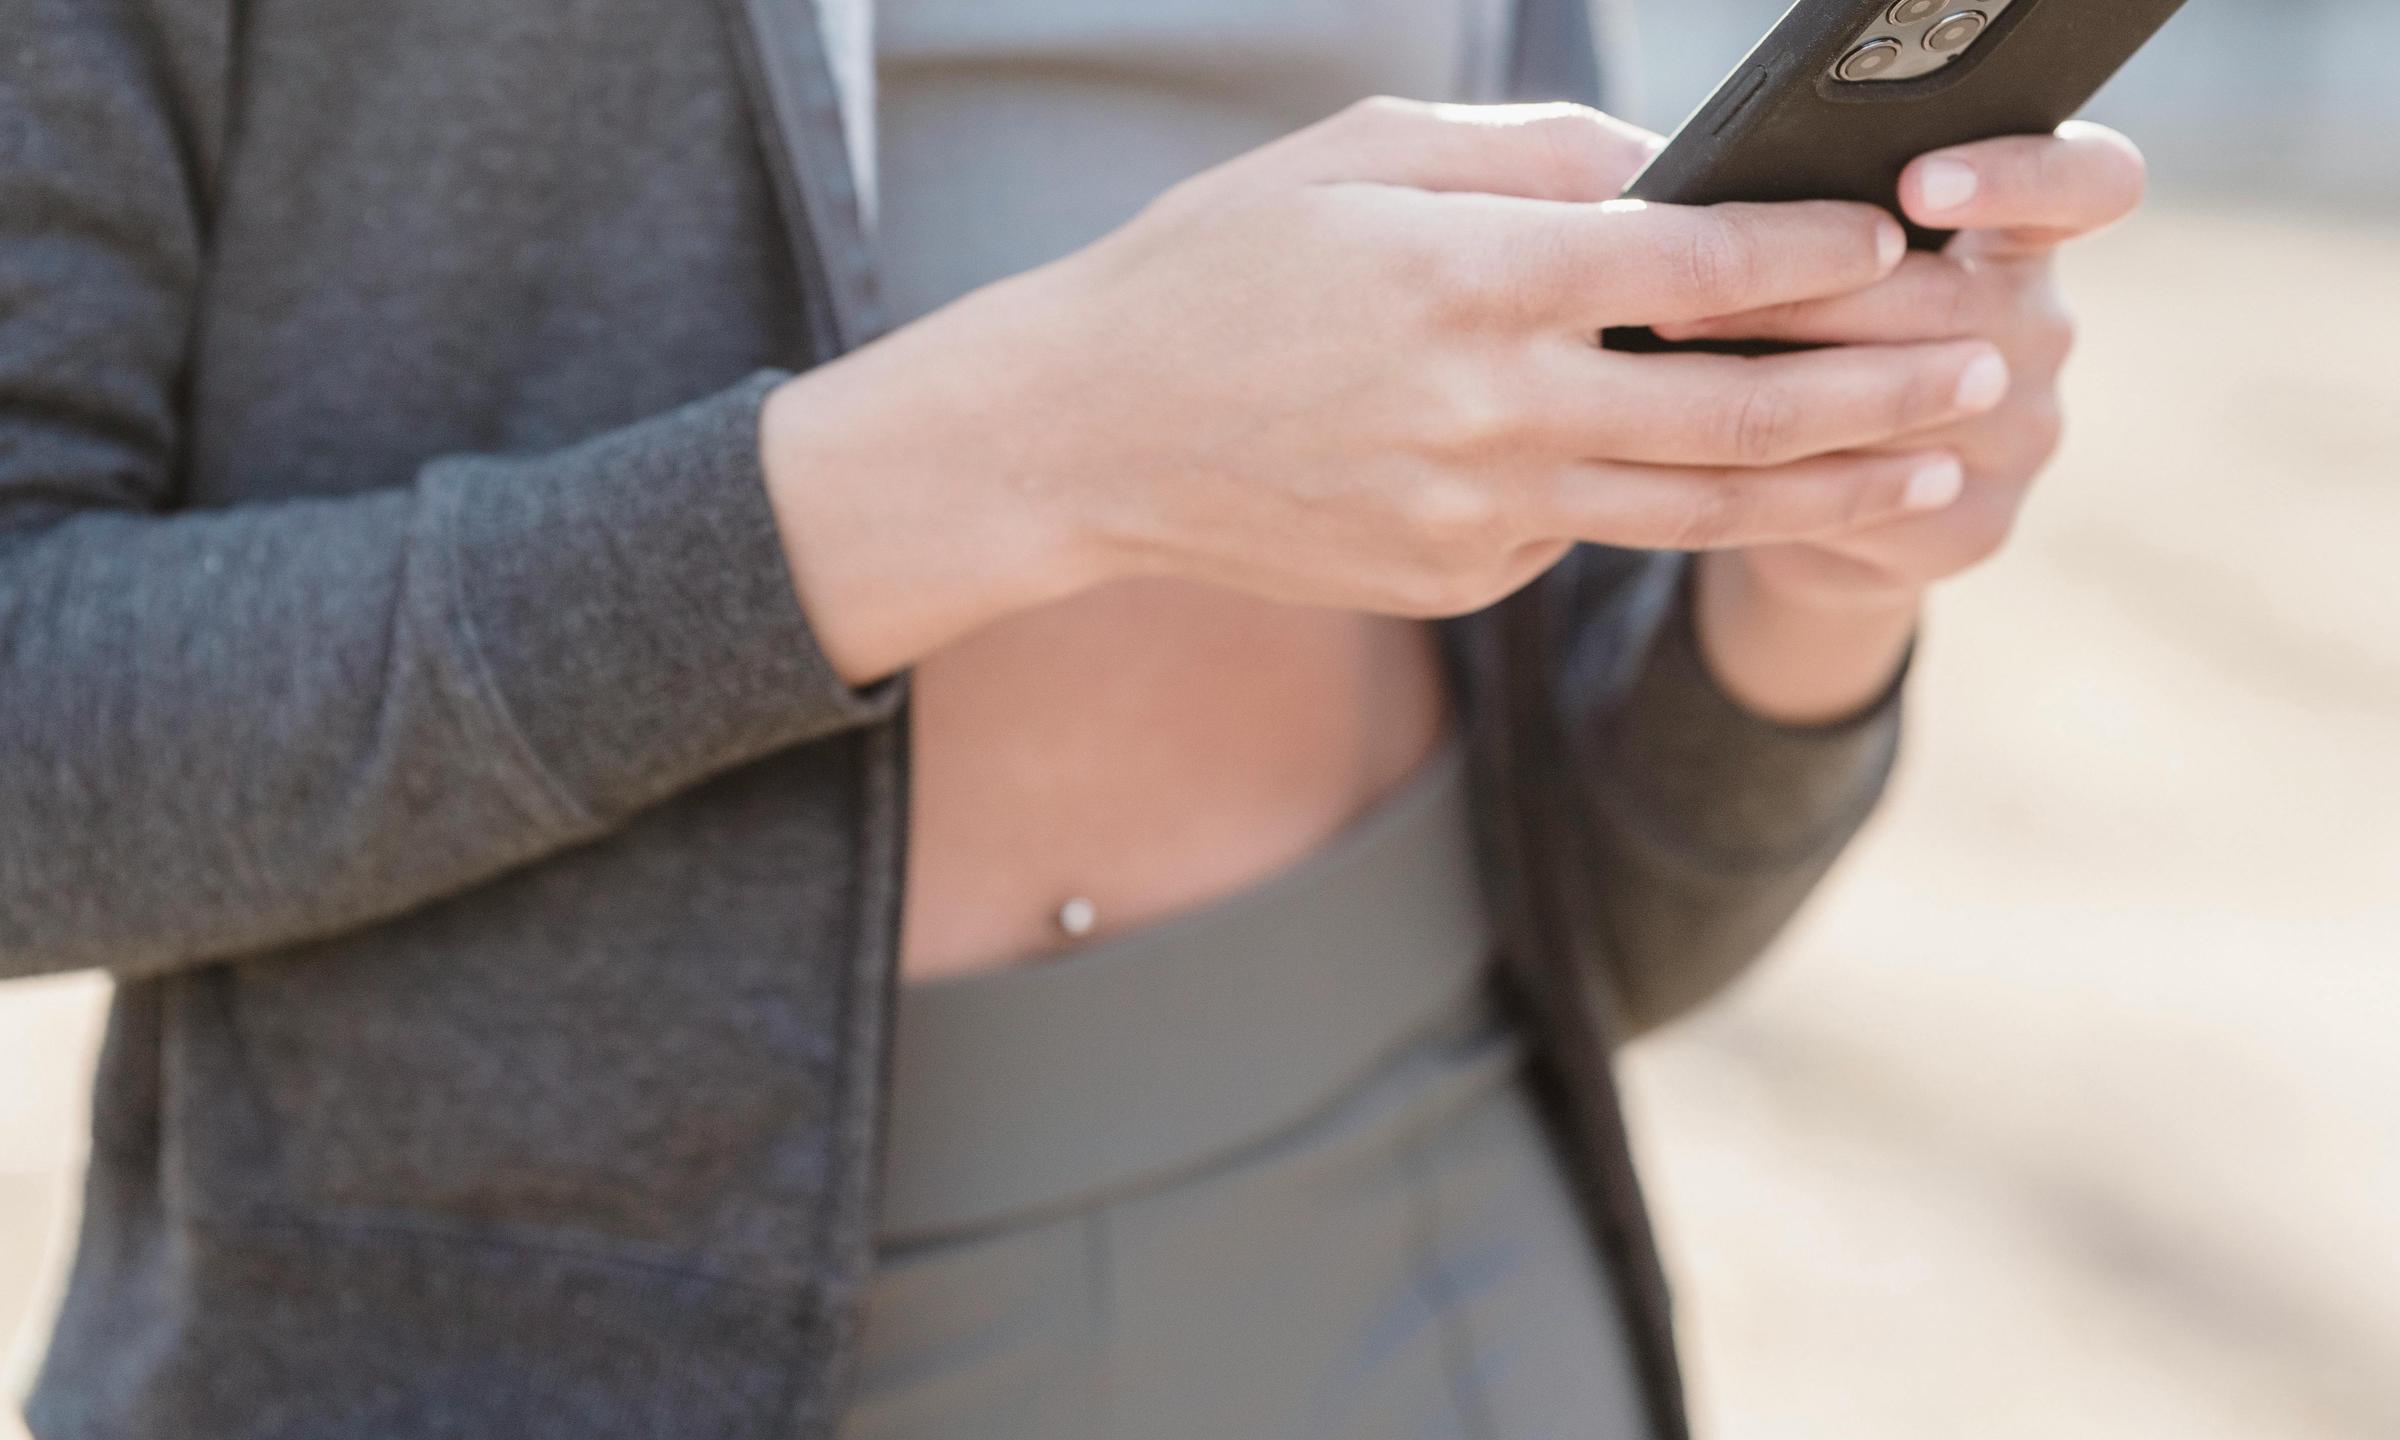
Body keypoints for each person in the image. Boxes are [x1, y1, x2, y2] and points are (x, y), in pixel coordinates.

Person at [0, 0, 2146, 1436]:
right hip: (505, 1347)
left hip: (1436, 1275)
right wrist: (1029, 450)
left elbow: (1614, 915)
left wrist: (1813, 567)